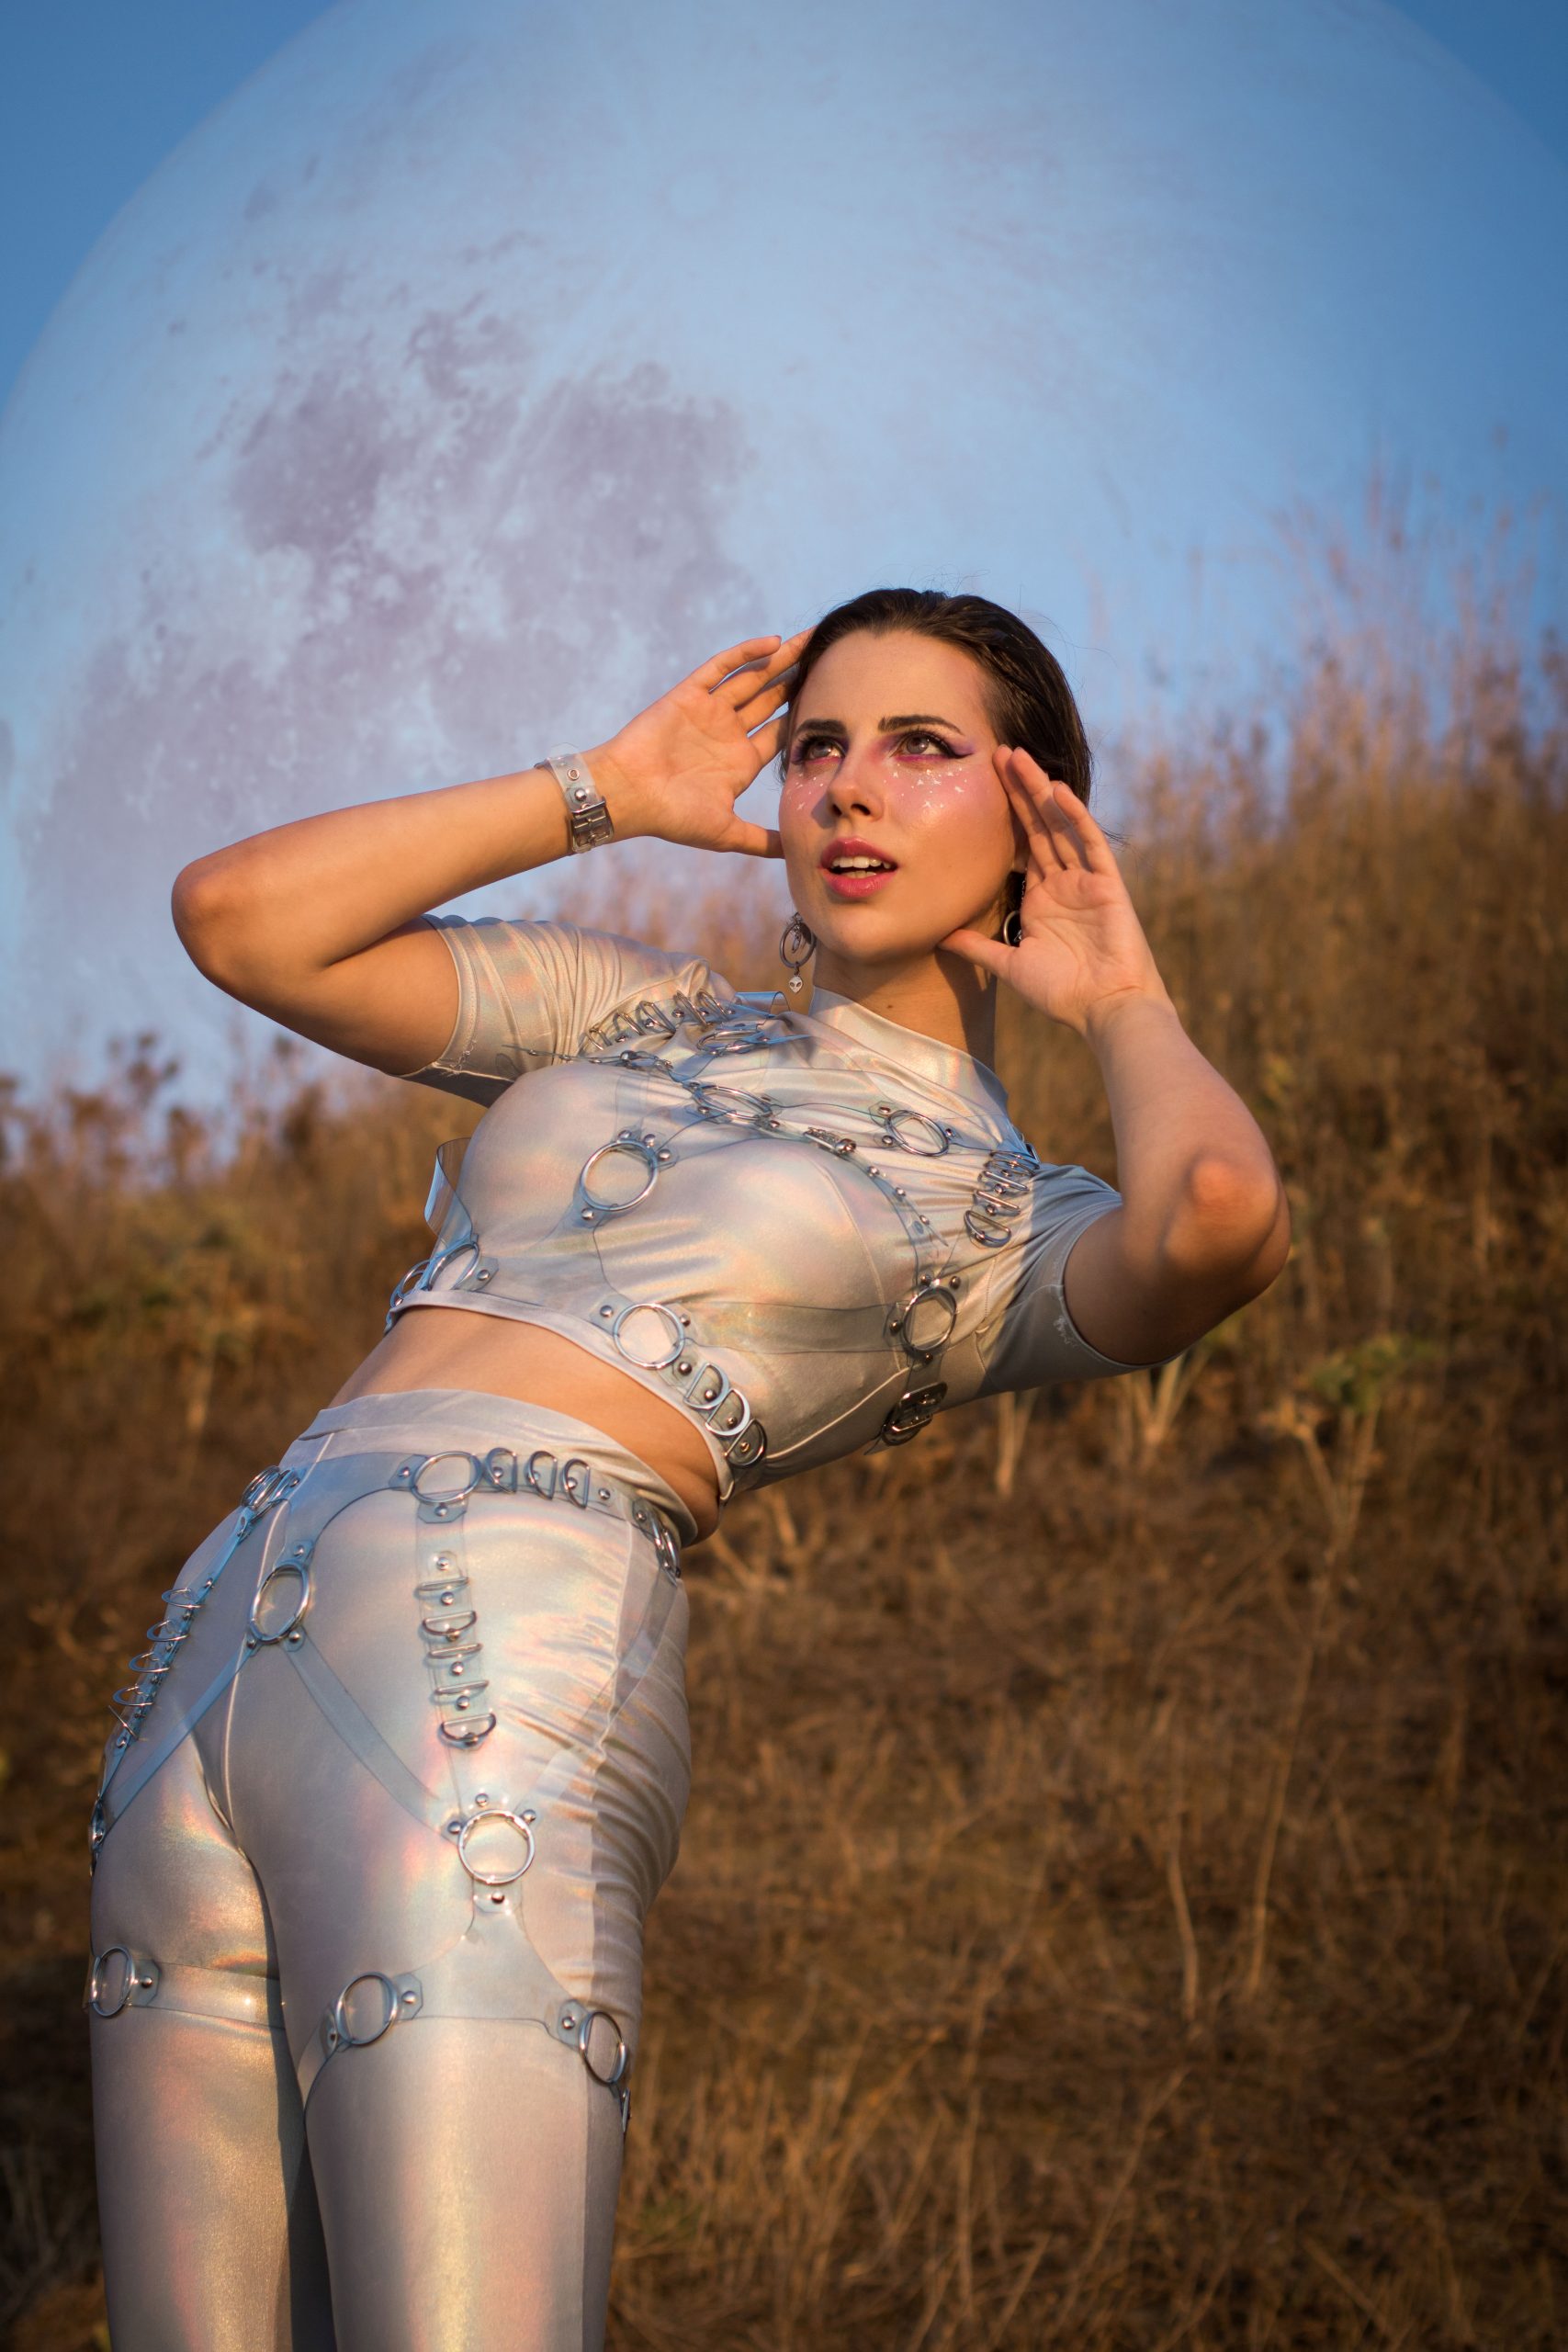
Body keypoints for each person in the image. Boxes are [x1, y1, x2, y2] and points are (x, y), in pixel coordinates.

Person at [85, 587, 1290, 2350]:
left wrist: (1119, 991)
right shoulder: (639, 1014)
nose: (848, 787)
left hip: (493, 1666)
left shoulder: (998, 1218)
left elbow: (1221, 1218)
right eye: (817, 747)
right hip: (212, 1652)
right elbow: (241, 919)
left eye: (921, 749)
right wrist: (601, 789)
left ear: (1037, 814)